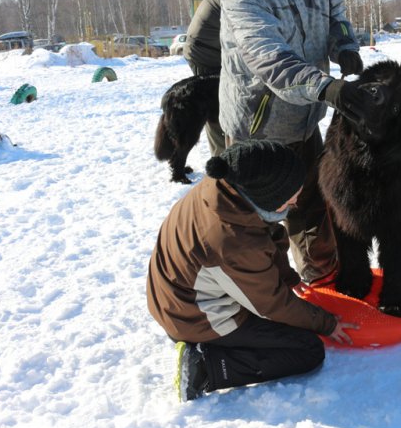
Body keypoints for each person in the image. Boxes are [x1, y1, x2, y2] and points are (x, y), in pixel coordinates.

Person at [219, 0, 386, 283]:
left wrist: (344, 43)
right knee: (261, 217)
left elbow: (335, 12)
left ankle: (321, 277)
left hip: (306, 115)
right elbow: (271, 60)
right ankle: (269, 289)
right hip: (258, 126)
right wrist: (328, 88)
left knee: (311, 201)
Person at [147, 140, 357, 401]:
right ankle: (205, 367)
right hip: (193, 318)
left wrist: (287, 276)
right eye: (290, 198)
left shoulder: (225, 189)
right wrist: (328, 323)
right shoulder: (233, 241)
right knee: (308, 349)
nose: (296, 201)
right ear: (266, 198)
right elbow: (273, 305)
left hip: (173, 299)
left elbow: (267, 235)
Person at [183, 0, 226, 156]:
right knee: (215, 105)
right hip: (204, 56)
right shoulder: (227, 0)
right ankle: (221, 156)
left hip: (203, 50)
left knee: (219, 102)